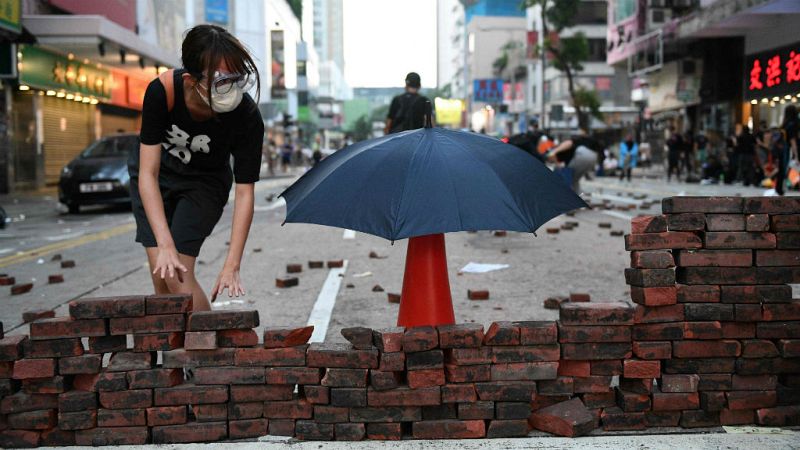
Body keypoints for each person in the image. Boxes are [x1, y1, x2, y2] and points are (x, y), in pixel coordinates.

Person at [129, 24, 264, 312]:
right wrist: (164, 244)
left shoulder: (246, 116)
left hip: (205, 182)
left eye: (237, 78)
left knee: (177, 277)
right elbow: (147, 174)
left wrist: (232, 264)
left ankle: (208, 338)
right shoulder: (163, 91)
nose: (232, 89)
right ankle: (182, 339)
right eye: (221, 81)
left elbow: (245, 193)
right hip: (157, 177)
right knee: (162, 276)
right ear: (191, 80)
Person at [547, 129, 598, 194]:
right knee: (574, 179)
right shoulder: (559, 158)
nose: (551, 161)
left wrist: (554, 151)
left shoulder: (557, 149)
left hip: (583, 153)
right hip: (593, 157)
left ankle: (569, 193)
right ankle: (578, 194)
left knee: (567, 174)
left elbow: (569, 143)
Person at [777, 105, 799, 195]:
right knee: (787, 168)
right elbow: (793, 141)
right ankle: (786, 185)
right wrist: (796, 155)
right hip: (788, 149)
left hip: (782, 149)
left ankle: (780, 188)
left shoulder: (784, 124)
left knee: (782, 168)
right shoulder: (793, 125)